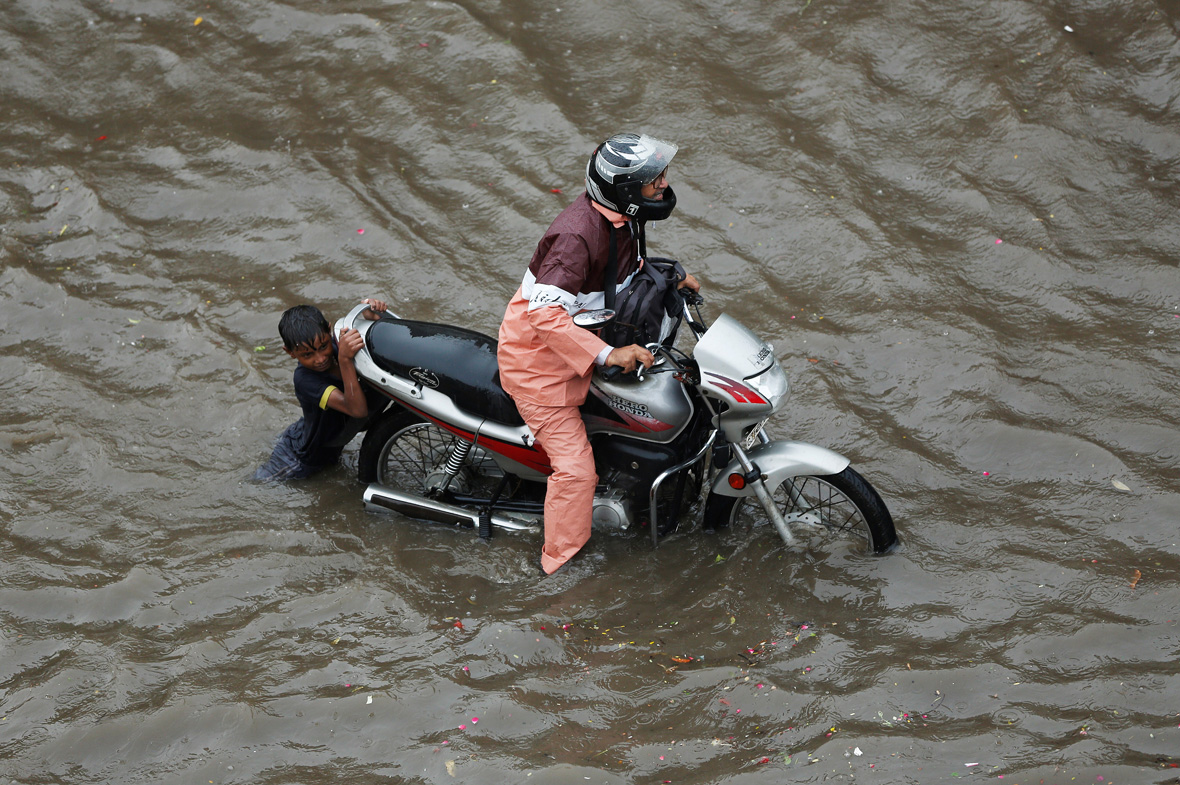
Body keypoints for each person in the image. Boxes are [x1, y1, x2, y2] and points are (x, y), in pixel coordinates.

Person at [497, 132, 700, 575]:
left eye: (662, 175)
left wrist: (671, 278)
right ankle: (559, 565)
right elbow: (545, 315)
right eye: (653, 180)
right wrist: (608, 354)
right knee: (576, 472)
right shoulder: (577, 237)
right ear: (626, 191)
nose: (663, 184)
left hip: (581, 343)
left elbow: (629, 272)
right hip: (540, 368)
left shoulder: (622, 221)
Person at [255, 298, 390, 481]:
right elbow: (357, 410)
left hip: (306, 431)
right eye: (308, 354)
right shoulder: (305, 380)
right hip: (299, 458)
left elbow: (371, 341)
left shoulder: (337, 345)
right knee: (259, 483)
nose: (320, 359)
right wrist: (344, 360)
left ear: (329, 330)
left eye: (323, 347)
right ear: (290, 353)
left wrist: (370, 317)